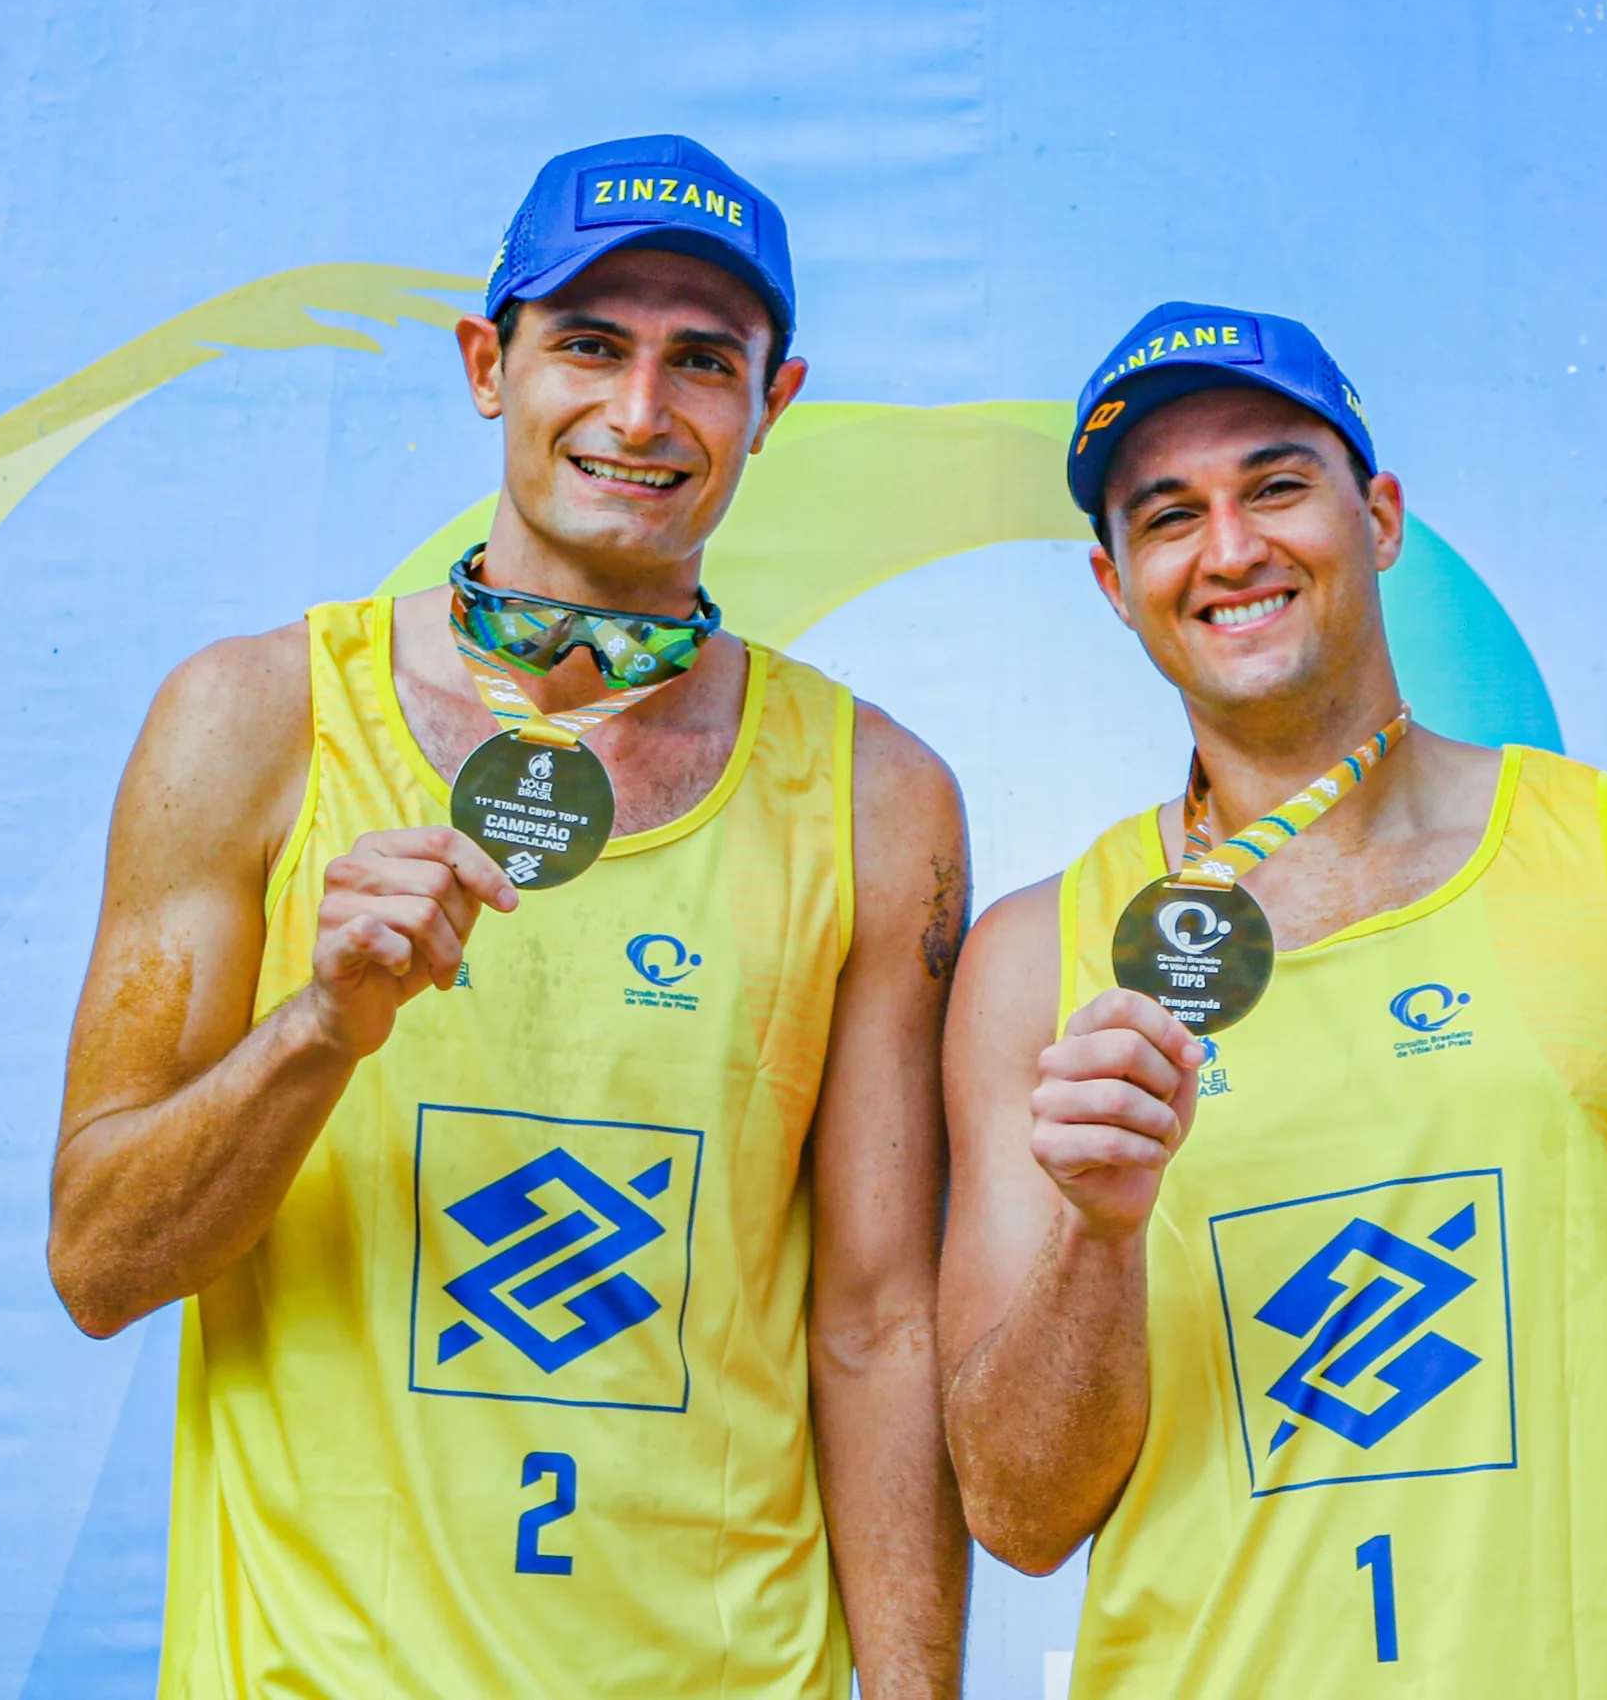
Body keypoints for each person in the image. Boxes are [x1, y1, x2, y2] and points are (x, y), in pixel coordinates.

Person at [50, 135, 967, 1699]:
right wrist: (318, 1030)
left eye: (701, 362)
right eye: (590, 346)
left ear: (773, 403)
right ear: (489, 363)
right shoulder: (257, 720)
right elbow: (101, 1261)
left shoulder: (879, 795)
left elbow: (877, 1326)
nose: (637, 411)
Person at [939, 301, 1607, 1698]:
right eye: (1169, 515)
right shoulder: (1041, 961)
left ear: (1380, 516)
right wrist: (1098, 1233)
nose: (1231, 548)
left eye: (1278, 484)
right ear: (1114, 584)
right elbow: (1020, 1515)